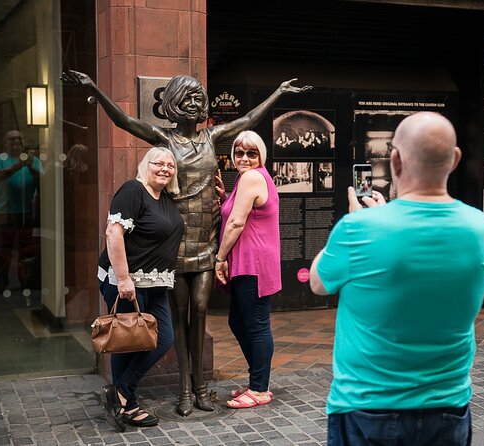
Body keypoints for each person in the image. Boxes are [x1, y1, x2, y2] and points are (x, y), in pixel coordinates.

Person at [62, 69, 311, 415]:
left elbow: (250, 118)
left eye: (199, 98)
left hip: (206, 242)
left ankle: (201, 388)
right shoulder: (164, 141)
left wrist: (280, 92)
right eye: (187, 98)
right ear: (174, 104)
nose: (195, 104)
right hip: (175, 246)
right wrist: (96, 89)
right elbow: (124, 121)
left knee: (200, 310)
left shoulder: (212, 138)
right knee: (178, 315)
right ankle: (183, 389)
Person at [310, 112, 484, 445]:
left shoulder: (358, 228)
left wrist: (355, 225)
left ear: (395, 159)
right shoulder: (480, 227)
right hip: (448, 406)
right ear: (454, 160)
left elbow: (318, 283)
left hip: (369, 406)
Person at [98, 146, 184, 432]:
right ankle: (127, 402)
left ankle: (120, 393)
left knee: (162, 338)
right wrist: (123, 279)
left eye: (170, 165)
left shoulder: (167, 199)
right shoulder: (134, 190)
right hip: (126, 282)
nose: (164, 168)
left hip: (156, 282)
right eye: (157, 163)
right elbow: (113, 232)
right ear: (145, 165)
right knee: (128, 340)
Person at [214, 130, 281, 409]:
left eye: (251, 153)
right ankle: (258, 379)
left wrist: (219, 258)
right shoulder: (249, 178)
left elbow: (236, 223)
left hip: (253, 263)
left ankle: (260, 388)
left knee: (256, 325)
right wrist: (225, 196)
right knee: (239, 322)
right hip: (250, 261)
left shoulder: (252, 177)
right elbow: (245, 211)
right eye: (239, 152)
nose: (244, 158)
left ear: (260, 155)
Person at [0, 130, 43, 293]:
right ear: (5, 143)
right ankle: (1, 283)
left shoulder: (34, 161)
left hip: (27, 213)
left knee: (26, 249)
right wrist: (18, 165)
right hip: (4, 213)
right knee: (3, 250)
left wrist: (31, 166)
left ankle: (26, 281)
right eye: (11, 139)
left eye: (19, 138)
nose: (16, 141)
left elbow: (45, 181)